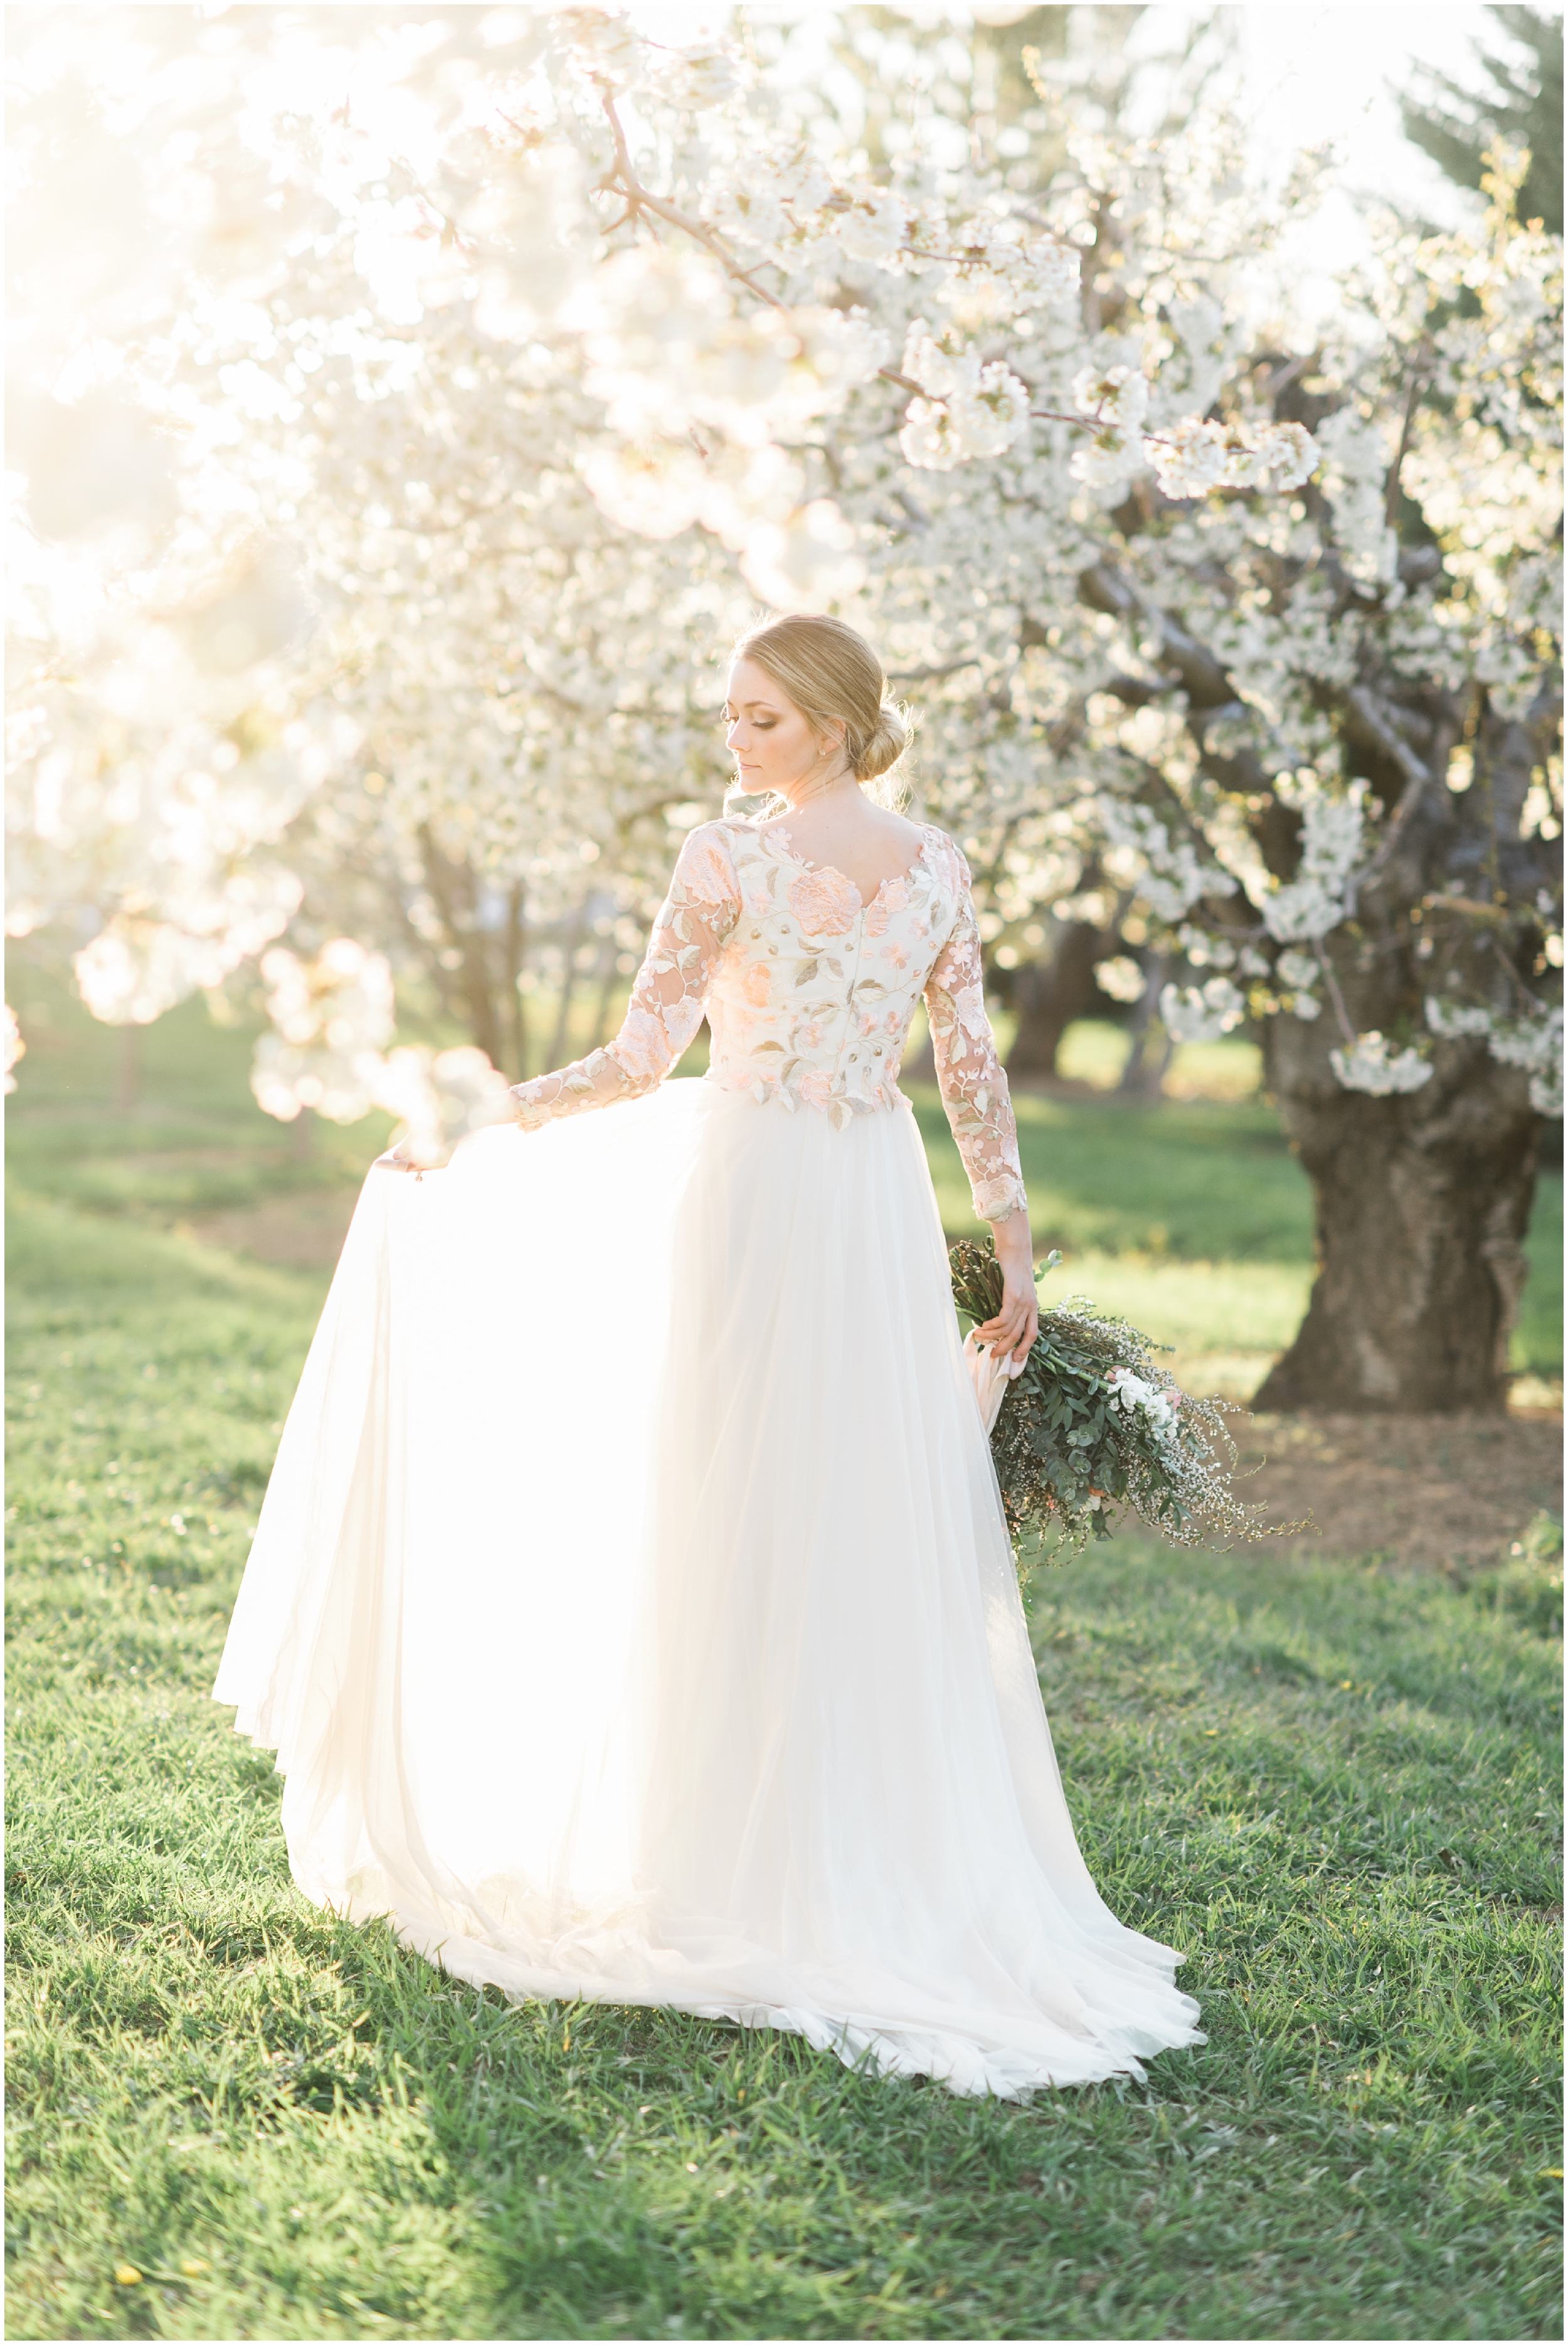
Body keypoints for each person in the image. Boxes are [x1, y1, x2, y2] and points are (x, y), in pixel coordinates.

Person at [214, 614, 1202, 2098]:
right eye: (729, 716)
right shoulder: (932, 865)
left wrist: (482, 1117)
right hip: (867, 1191)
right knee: (823, 1509)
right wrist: (1004, 1242)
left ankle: (728, 1855)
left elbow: (638, 1064)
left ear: (823, 717)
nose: (732, 740)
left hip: (754, 1193)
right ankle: (787, 1836)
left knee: (725, 1500)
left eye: (756, 718)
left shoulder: (725, 859)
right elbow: (967, 1073)